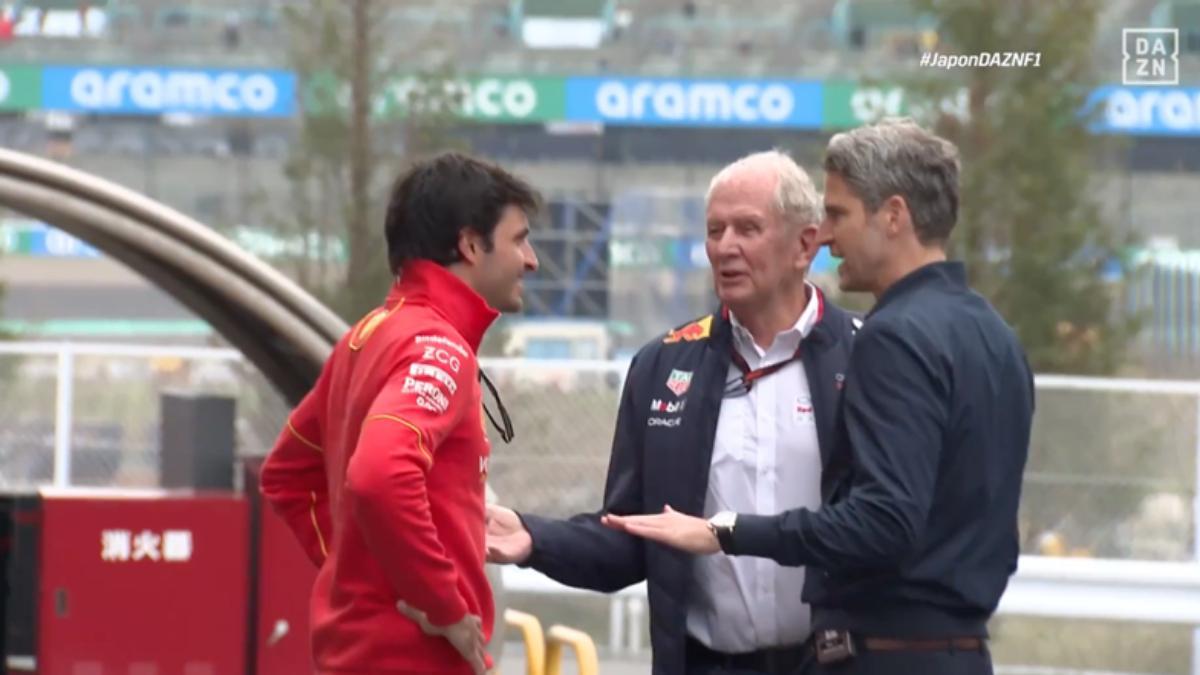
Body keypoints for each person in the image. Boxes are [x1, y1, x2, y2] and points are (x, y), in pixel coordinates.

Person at [605, 119, 1035, 675]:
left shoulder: (891, 334)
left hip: (886, 656)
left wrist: (726, 531)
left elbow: (884, 519)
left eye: (838, 214)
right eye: (716, 230)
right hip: (966, 652)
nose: (827, 237)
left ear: (894, 215)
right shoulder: (995, 336)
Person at [487, 150, 862, 675]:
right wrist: (534, 539)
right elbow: (634, 535)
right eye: (714, 230)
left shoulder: (866, 356)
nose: (725, 247)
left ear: (804, 245)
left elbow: (887, 524)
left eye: (747, 229)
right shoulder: (663, 364)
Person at [259, 152, 540, 675]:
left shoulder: (366, 337)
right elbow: (379, 475)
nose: (531, 259)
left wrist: (364, 577)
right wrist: (443, 605)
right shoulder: (437, 346)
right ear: (471, 245)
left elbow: (286, 475)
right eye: (519, 238)